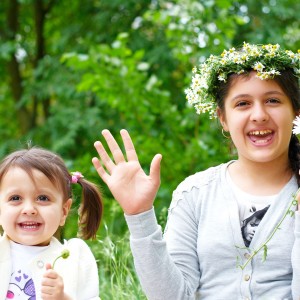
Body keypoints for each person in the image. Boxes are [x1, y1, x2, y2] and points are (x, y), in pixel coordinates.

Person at [92, 43, 300, 299]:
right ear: (222, 117)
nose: (259, 114)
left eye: (272, 100)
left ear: (295, 113)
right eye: (243, 103)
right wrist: (140, 216)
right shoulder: (194, 193)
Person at [0, 147, 103, 299]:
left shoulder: (74, 259)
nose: (29, 209)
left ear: (64, 211)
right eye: (15, 198)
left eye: (43, 198)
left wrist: (62, 298)